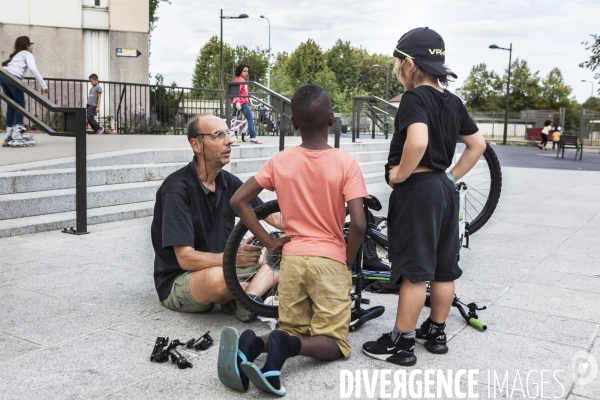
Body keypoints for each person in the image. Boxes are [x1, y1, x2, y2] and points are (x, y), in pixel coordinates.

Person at [218, 84, 368, 396]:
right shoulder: (346, 163)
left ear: (293, 123)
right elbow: (360, 224)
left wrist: (269, 242)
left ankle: (254, 345)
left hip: (294, 261)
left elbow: (238, 201)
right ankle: (285, 347)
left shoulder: (280, 161)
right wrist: (348, 260)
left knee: (292, 327)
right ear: (331, 119)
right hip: (330, 260)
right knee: (335, 342)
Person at [361, 27, 486, 366]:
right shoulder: (452, 100)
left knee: (415, 271)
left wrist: (399, 174)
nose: (397, 69)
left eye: (398, 62)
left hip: (418, 193)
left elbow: (416, 142)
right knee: (444, 269)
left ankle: (401, 343)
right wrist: (450, 176)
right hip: (445, 193)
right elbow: (478, 146)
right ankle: (436, 331)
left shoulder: (414, 98)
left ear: (409, 65)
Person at [151, 114, 281, 322]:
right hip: (182, 278)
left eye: (228, 133)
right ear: (196, 144)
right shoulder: (176, 189)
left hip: (225, 265)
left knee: (282, 253)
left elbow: (272, 216)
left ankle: (249, 297)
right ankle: (249, 294)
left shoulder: (229, 182)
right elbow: (185, 259)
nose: (229, 140)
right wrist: (233, 257)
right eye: (218, 135)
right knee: (220, 280)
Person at [1, 36, 47, 147]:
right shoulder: (27, 54)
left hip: (2, 76)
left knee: (12, 105)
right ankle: (18, 129)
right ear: (27, 46)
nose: (32, 46)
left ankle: (10, 131)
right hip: (13, 78)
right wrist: (43, 85)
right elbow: (33, 68)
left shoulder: (15, 55)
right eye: (31, 44)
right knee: (20, 104)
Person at [232, 63, 261, 144]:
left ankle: (228, 134)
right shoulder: (241, 80)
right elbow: (237, 91)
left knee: (232, 120)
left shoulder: (239, 79)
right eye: (244, 71)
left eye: (247, 71)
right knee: (250, 119)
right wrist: (238, 102)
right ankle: (253, 137)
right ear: (240, 71)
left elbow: (241, 92)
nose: (246, 73)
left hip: (238, 102)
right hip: (242, 103)